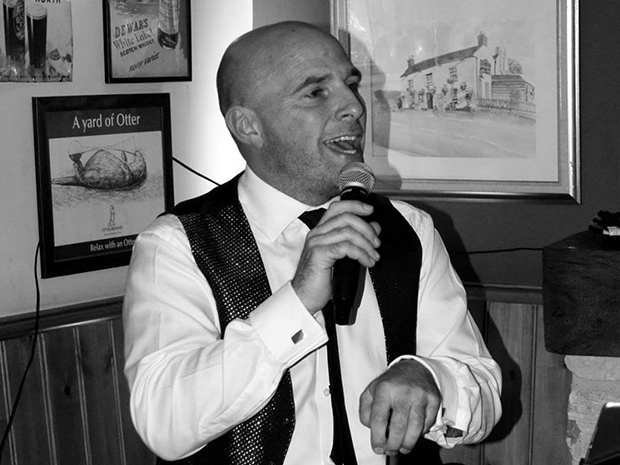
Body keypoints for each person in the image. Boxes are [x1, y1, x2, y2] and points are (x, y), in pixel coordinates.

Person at [122, 20, 502, 465]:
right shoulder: (177, 245)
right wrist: (297, 301)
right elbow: (163, 423)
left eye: (351, 84)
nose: (354, 107)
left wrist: (431, 377)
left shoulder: (409, 230)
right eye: (316, 92)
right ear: (249, 126)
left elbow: (483, 389)